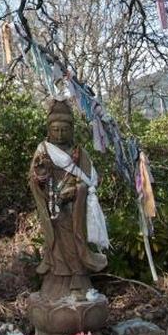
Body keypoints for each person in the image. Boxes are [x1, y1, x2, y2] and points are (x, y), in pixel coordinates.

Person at [28, 98, 108, 301]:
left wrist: (76, 191)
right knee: (55, 242)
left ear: (71, 129)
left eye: (64, 129)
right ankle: (56, 281)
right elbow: (34, 178)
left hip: (74, 208)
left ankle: (79, 280)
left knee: (74, 238)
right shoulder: (43, 150)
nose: (60, 134)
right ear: (49, 130)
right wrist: (41, 179)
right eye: (55, 130)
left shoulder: (79, 153)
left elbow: (90, 182)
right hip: (52, 204)